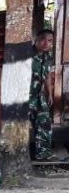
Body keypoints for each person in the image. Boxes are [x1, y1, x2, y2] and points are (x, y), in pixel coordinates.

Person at [30, 28, 56, 161]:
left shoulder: (48, 56)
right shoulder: (27, 54)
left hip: (39, 96)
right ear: (36, 40)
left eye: (50, 40)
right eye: (43, 39)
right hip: (25, 96)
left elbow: (47, 77)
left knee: (44, 122)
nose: (46, 43)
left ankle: (43, 153)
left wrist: (50, 93)